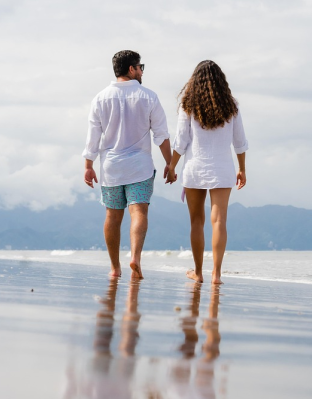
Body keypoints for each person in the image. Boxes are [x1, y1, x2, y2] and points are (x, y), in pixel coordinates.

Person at [82, 50, 173, 279]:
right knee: (138, 211)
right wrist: (170, 163)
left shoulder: (100, 98)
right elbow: (161, 135)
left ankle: (115, 268)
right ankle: (135, 257)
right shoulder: (148, 96)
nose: (142, 71)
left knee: (112, 216)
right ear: (131, 69)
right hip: (139, 167)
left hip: (111, 168)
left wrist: (88, 165)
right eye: (140, 67)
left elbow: (93, 136)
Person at [166, 60, 248, 284]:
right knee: (219, 220)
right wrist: (242, 169)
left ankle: (199, 272)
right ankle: (216, 274)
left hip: (195, 168)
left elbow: (181, 142)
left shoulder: (188, 105)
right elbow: (239, 142)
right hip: (223, 169)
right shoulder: (231, 105)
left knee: (196, 222)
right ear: (221, 81)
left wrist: (172, 166)